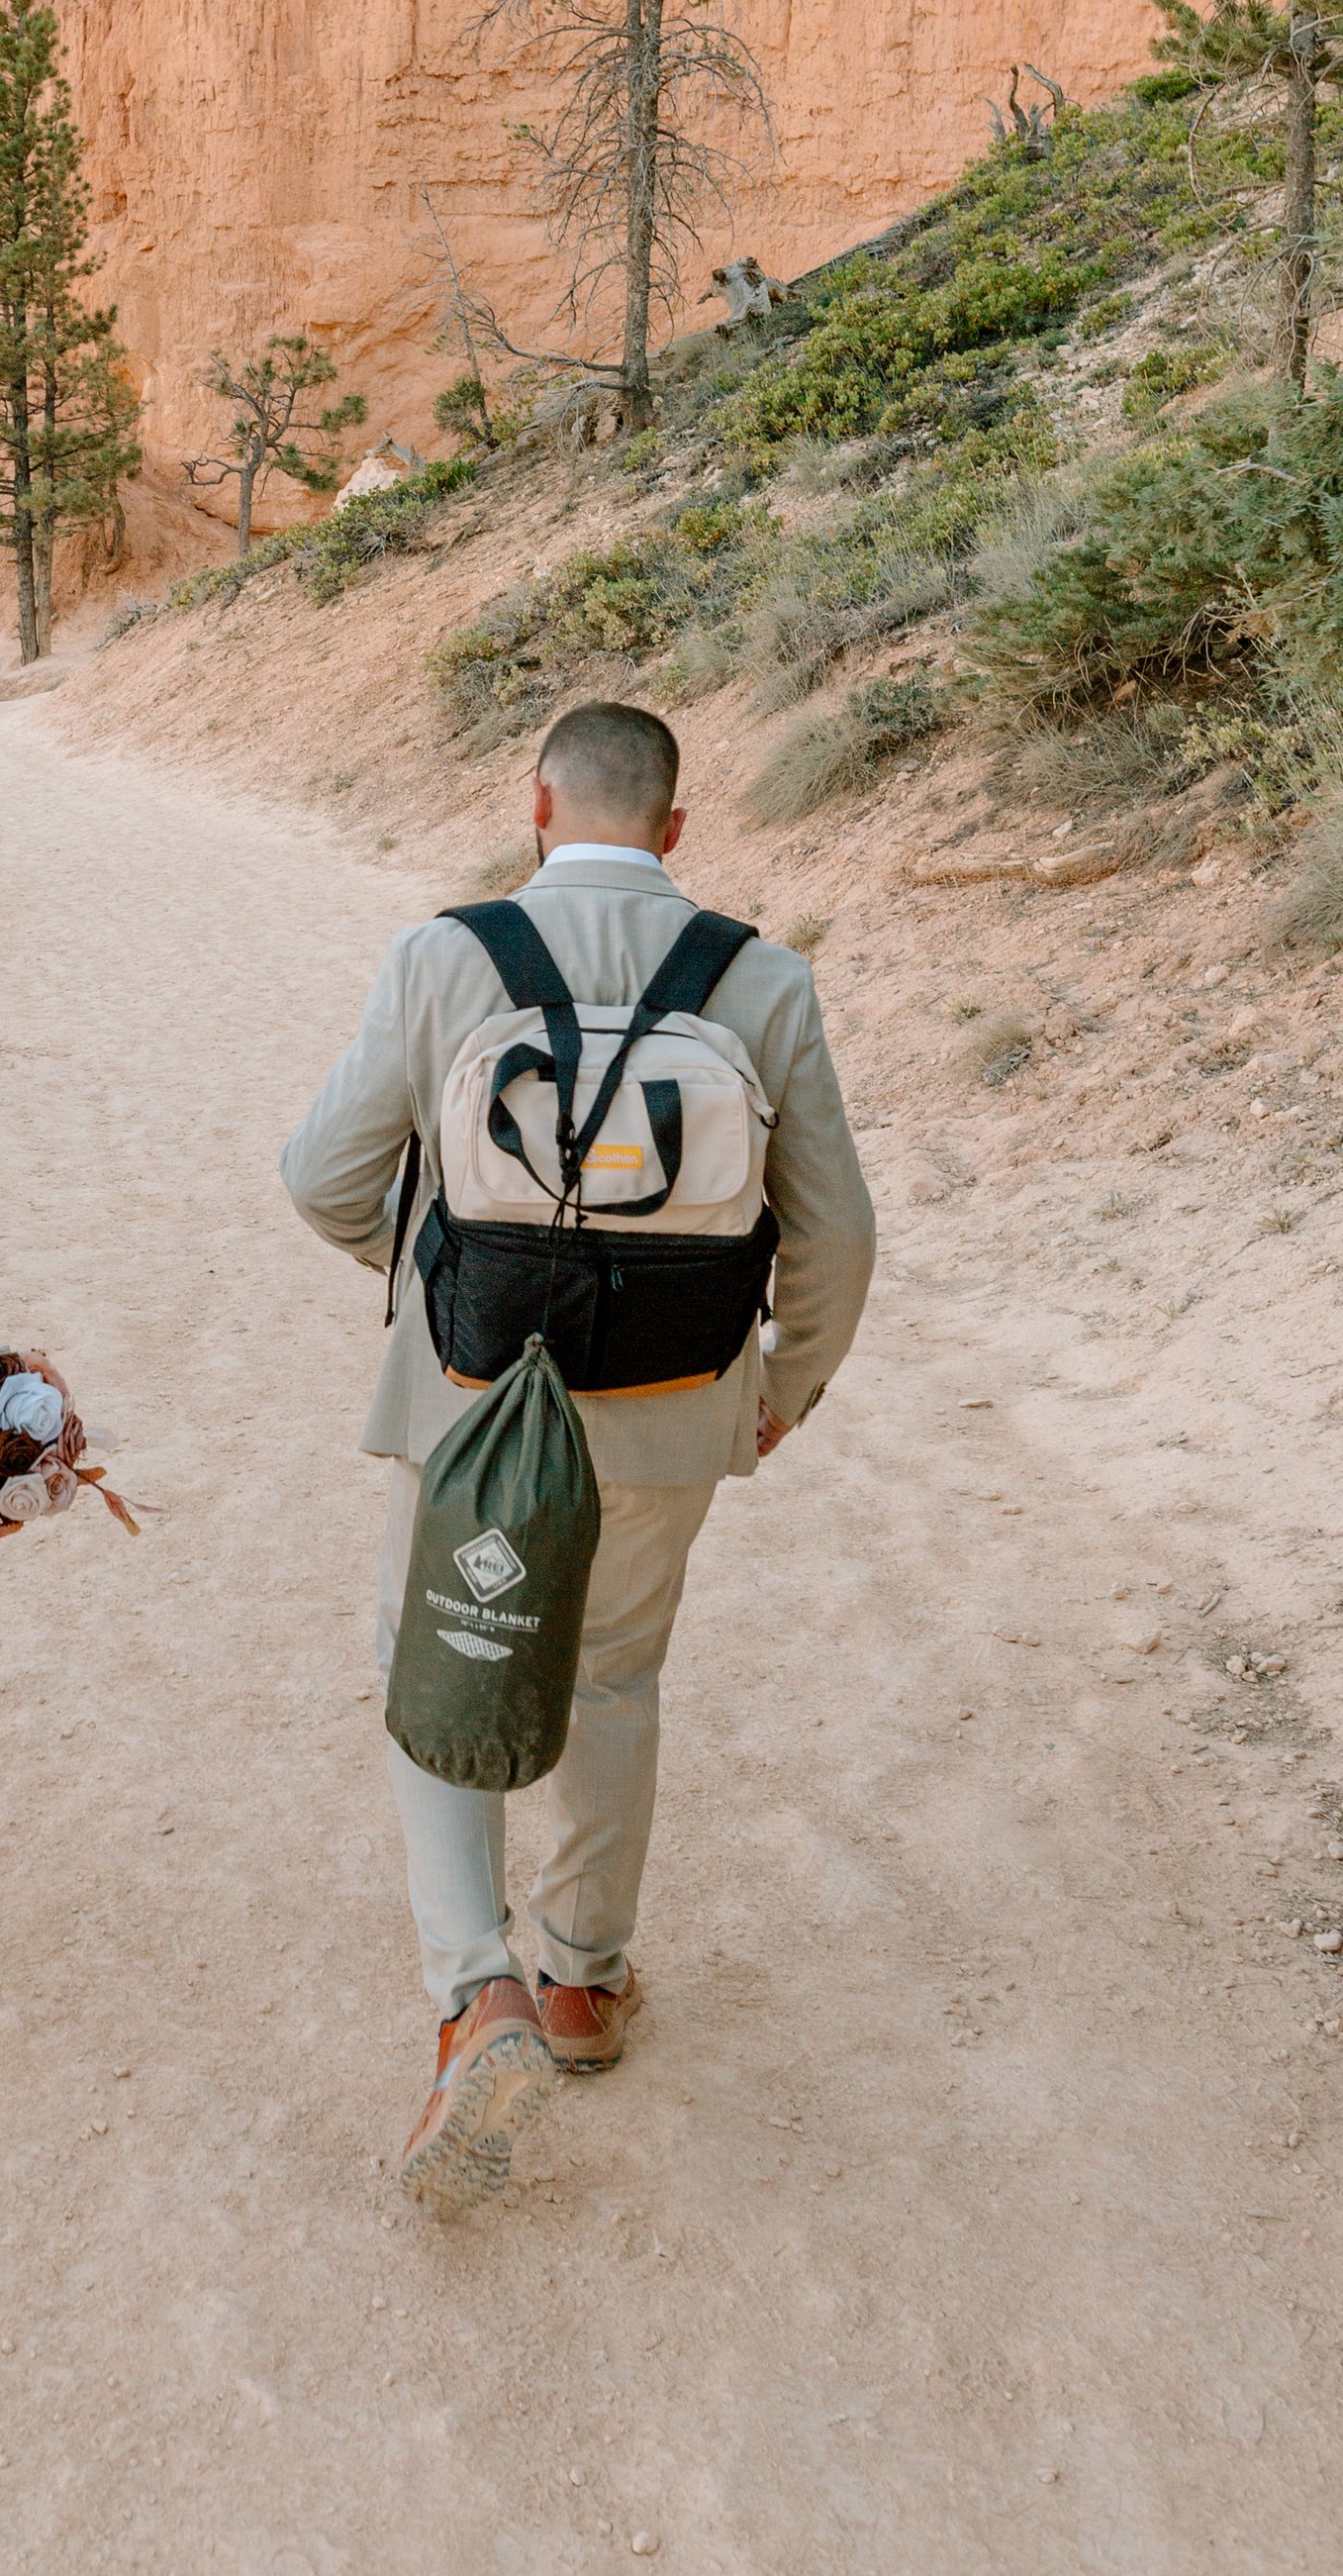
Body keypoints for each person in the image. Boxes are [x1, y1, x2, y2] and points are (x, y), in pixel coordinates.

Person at [280, 698, 875, 2205]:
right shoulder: (765, 978)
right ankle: (584, 1986)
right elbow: (838, 1232)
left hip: (474, 1390)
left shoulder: (444, 956)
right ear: (677, 828)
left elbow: (322, 1176)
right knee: (612, 1668)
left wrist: (430, 1292)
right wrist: (778, 1384)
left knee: (445, 1649)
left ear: (536, 804)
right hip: (675, 1396)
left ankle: (473, 1989)